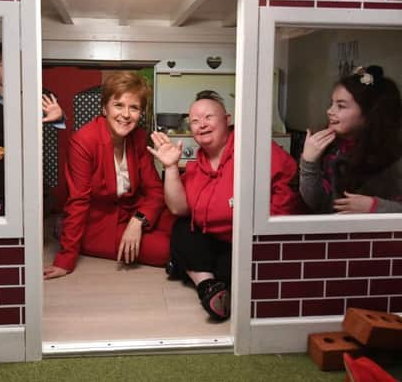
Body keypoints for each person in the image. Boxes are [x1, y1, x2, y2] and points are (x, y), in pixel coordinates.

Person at [148, 91, 300, 321]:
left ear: (227, 119)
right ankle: (209, 287)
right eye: (195, 121)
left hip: (249, 245)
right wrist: (170, 167)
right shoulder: (196, 165)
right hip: (213, 241)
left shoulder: (255, 150)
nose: (202, 124)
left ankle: (193, 273)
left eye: (209, 117)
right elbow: (179, 209)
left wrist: (265, 244)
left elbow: (285, 193)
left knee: (229, 267)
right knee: (180, 229)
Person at [43, 71, 175, 279]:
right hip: (99, 223)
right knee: (169, 249)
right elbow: (78, 201)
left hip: (134, 210)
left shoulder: (139, 137)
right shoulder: (83, 141)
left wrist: (138, 220)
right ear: (104, 108)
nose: (126, 114)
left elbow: (155, 191)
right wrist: (65, 259)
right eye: (119, 105)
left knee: (185, 226)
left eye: (134, 107)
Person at [0, 42, 64, 203]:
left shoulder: (31, 97)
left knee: (43, 199)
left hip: (27, 168)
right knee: (8, 199)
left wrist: (58, 115)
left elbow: (55, 116)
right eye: (3, 65)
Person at [299, 65, 402, 214]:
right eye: (331, 103)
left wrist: (374, 207)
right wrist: (309, 162)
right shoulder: (332, 149)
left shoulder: (394, 158)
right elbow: (318, 203)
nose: (329, 111)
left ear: (369, 113)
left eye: (341, 106)